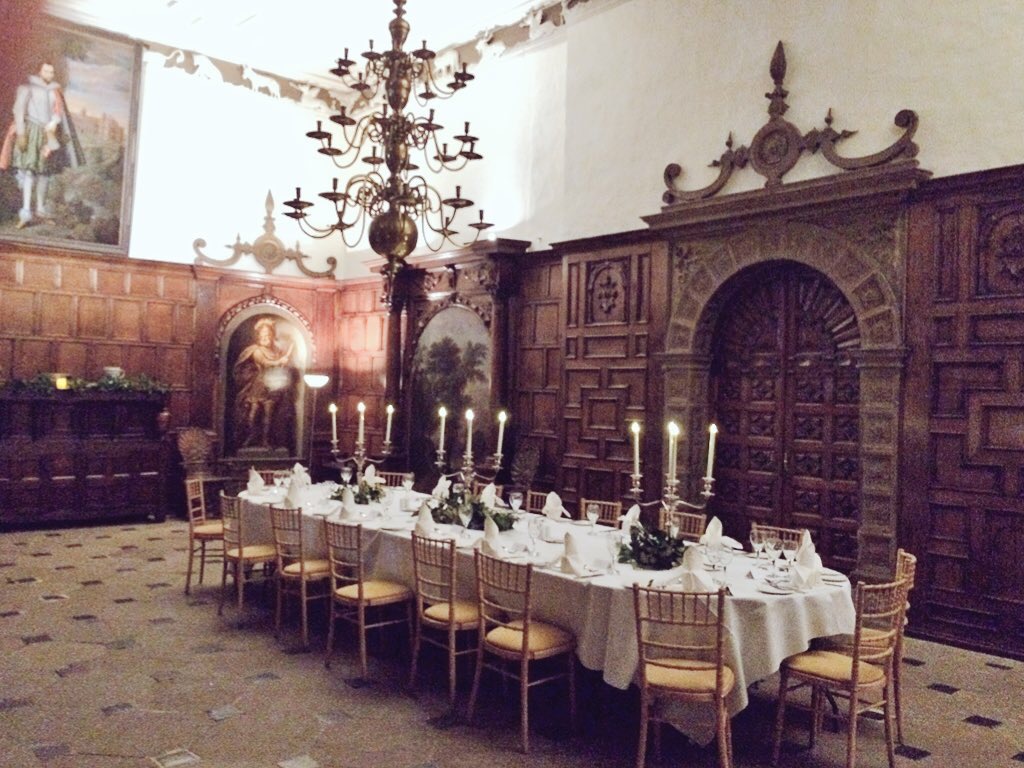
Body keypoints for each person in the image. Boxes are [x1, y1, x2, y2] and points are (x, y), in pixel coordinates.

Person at [0, 60, 81, 229]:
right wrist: (21, 133)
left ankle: (41, 211)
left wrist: (54, 122)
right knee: (29, 171)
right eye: (46, 71)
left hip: (47, 134)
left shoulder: (54, 91)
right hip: (30, 131)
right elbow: (19, 110)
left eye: (51, 72)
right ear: (39, 71)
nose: (49, 75)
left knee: (44, 173)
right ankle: (26, 212)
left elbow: (58, 112)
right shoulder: (27, 87)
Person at [232, 317, 296, 449]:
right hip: (257, 387)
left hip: (272, 387)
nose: (265, 337)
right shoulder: (255, 351)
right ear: (258, 336)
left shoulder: (277, 351)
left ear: (272, 335)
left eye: (268, 334)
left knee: (269, 416)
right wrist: (280, 361)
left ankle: (265, 441)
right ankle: (251, 436)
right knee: (252, 416)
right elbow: (265, 364)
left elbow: (282, 370)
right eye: (262, 335)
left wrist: (285, 363)